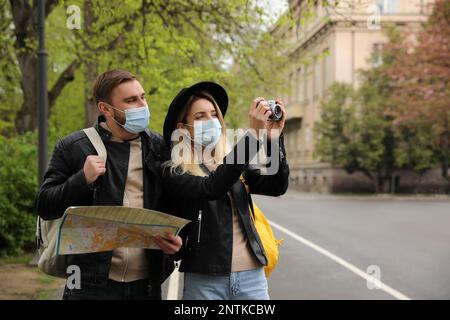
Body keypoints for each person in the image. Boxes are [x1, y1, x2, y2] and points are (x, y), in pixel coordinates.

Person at [35, 69, 182, 300]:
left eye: (142, 97)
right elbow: (44, 205)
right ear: (105, 109)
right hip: (87, 283)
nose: (142, 106)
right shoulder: (73, 146)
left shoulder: (159, 146)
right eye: (131, 100)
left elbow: (178, 200)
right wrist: (81, 179)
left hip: (147, 283)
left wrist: (178, 241)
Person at [162, 81, 289, 300]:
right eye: (200, 117)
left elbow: (276, 186)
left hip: (252, 276)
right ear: (182, 128)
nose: (210, 121)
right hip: (205, 280)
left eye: (213, 115)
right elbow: (211, 187)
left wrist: (272, 137)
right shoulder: (174, 170)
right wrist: (252, 136)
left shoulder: (230, 163)